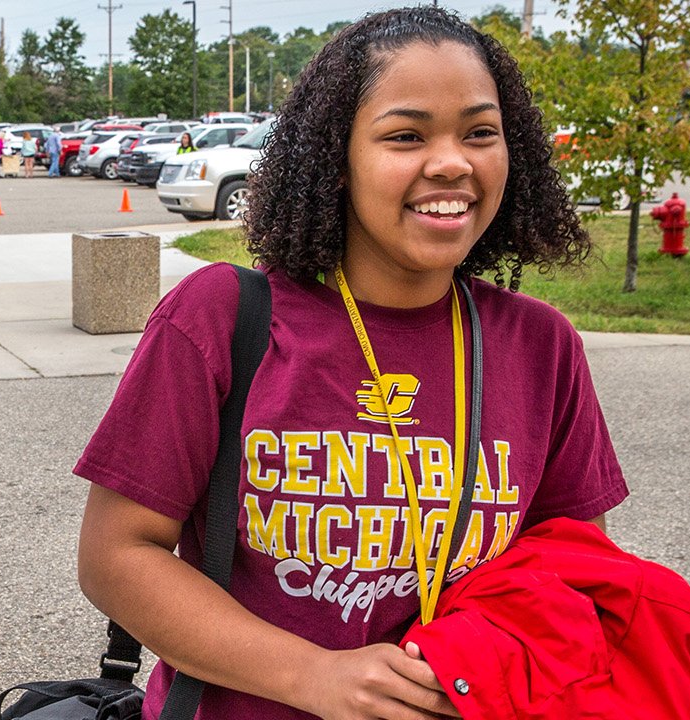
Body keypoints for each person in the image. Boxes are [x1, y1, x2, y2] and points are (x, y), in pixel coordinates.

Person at [74, 8, 627, 720]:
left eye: (480, 132)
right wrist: (314, 677)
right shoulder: (221, 316)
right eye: (406, 135)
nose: (452, 161)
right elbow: (117, 555)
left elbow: (572, 575)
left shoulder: (540, 344)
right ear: (336, 160)